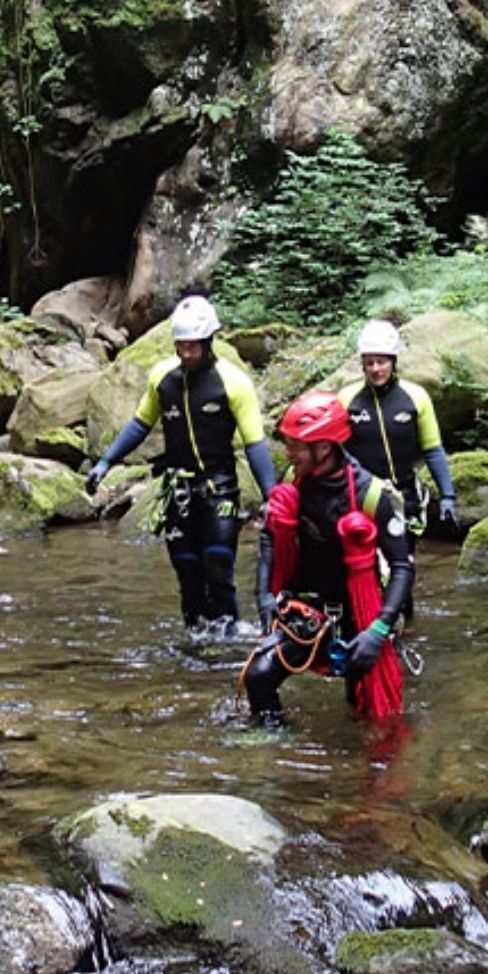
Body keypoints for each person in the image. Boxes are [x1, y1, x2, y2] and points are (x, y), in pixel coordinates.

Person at [85, 295, 278, 632]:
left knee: (218, 566)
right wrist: (105, 462)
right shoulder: (163, 378)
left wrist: (274, 497)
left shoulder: (233, 383)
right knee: (187, 571)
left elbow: (254, 444)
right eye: (181, 346)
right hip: (179, 490)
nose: (186, 354)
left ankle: (229, 637)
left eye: (193, 347)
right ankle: (196, 638)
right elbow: (140, 425)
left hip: (220, 488)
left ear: (208, 341)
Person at [243, 391, 414, 724]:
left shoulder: (372, 494)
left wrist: (379, 630)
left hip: (360, 617)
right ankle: (276, 754)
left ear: (323, 447)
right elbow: (269, 537)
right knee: (258, 677)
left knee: (367, 715)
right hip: (307, 610)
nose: (288, 454)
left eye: (296, 445)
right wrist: (264, 596)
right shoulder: (294, 481)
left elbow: (402, 567)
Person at [339, 318, 457, 539]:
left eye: (381, 362)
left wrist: (447, 495)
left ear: (393, 361)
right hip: (360, 498)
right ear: (362, 364)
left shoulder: (416, 397)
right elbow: (334, 454)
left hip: (406, 496)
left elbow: (432, 450)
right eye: (370, 363)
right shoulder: (347, 399)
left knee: (403, 565)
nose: (375, 369)